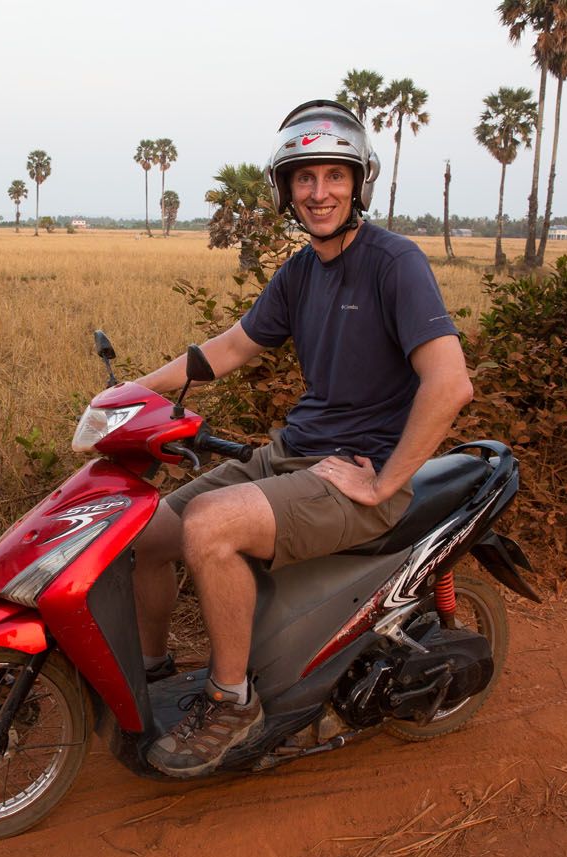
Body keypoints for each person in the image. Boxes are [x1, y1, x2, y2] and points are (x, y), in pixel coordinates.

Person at [134, 99, 474, 778]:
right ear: (286, 189)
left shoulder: (393, 263)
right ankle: (153, 673)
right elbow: (230, 347)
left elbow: (450, 383)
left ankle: (233, 704)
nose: (319, 192)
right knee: (143, 532)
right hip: (293, 454)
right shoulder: (300, 272)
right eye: (304, 178)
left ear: (358, 182)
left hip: (357, 474)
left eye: (334, 176)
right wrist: (129, 398)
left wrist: (384, 481)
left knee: (209, 527)